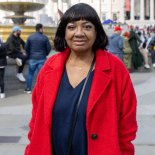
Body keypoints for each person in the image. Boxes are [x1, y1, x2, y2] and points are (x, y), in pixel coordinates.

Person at [25, 3, 137, 155]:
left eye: (87, 27)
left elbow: (127, 127)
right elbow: (36, 121)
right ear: (64, 32)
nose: (79, 33)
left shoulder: (116, 69)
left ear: (97, 32)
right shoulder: (49, 67)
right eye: (71, 27)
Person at [24, 23, 51, 94]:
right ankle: (40, 89)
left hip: (32, 58)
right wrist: (45, 54)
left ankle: (28, 89)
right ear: (41, 29)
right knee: (41, 74)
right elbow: (48, 48)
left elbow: (26, 48)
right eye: (43, 28)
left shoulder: (30, 37)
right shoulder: (44, 37)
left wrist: (29, 54)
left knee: (30, 74)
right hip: (42, 58)